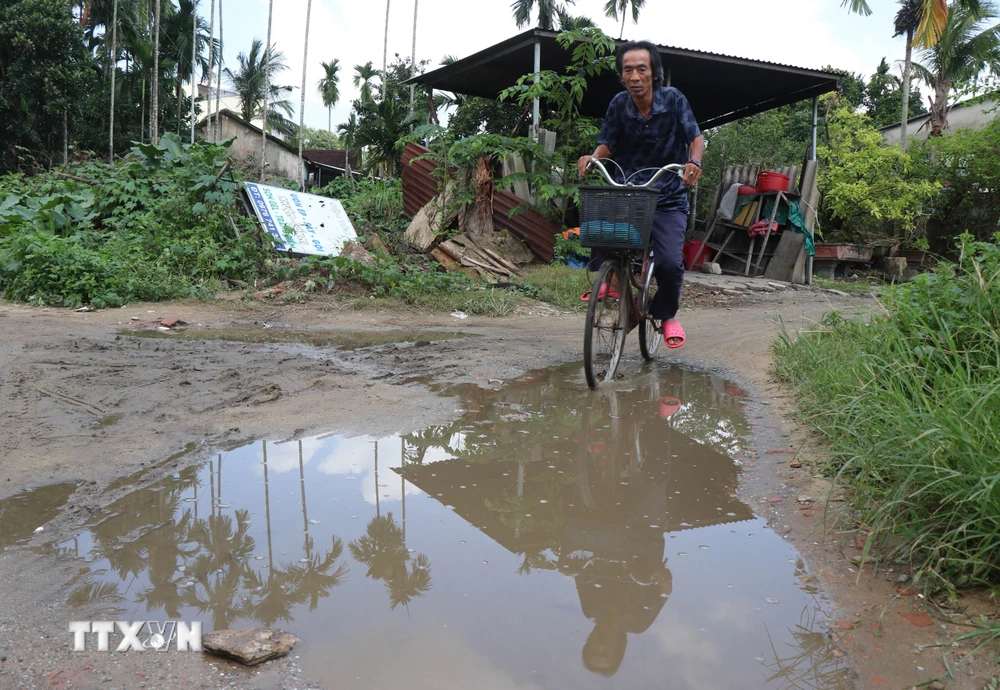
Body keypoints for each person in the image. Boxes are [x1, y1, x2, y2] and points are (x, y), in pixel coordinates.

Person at [578, 41, 705, 349]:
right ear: (622, 75)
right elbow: (607, 141)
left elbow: (696, 138)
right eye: (628, 70)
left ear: (654, 74)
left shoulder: (673, 100)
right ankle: (617, 286)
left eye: (641, 69)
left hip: (668, 196)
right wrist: (593, 157)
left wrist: (694, 162)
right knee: (599, 232)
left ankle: (665, 315)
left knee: (669, 264)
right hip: (629, 190)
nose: (634, 76)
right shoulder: (619, 104)